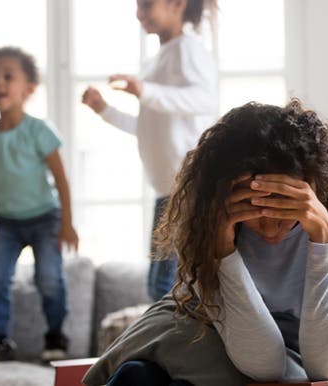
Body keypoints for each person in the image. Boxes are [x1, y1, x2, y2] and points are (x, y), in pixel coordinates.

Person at [83, 100, 328, 386]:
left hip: (301, 348)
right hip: (211, 329)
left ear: (314, 184)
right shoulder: (209, 214)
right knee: (136, 376)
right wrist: (223, 251)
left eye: (283, 208)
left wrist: (322, 240)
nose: (269, 228)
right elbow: (263, 363)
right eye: (253, 211)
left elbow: (327, 366)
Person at [81, 0, 218, 301]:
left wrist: (145, 90)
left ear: (177, 4)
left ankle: (171, 343)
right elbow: (147, 127)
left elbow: (204, 100)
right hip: (167, 189)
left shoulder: (188, 48)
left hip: (189, 186)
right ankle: (167, 342)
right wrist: (104, 110)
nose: (139, 12)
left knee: (167, 284)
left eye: (146, 4)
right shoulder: (157, 61)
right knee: (159, 284)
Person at [0, 46, 79, 362]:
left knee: (49, 278)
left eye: (8, 76)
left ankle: (55, 337)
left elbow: (61, 179)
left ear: (29, 89)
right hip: (6, 222)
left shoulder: (39, 130)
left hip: (45, 218)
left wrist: (67, 223)